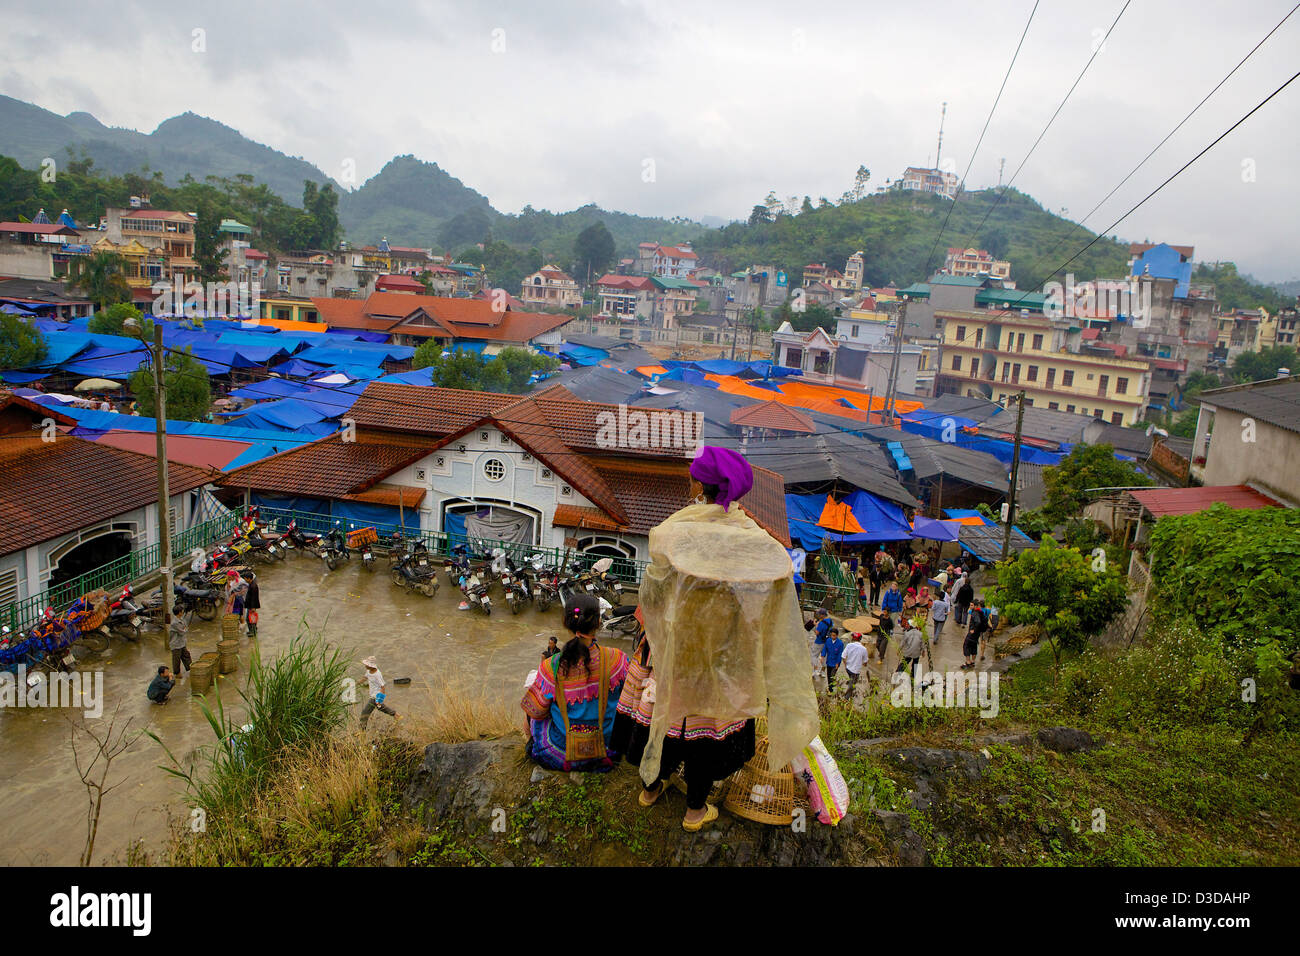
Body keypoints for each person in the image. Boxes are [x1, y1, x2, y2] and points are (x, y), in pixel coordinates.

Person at [636, 445, 815, 832]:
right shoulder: (751, 537)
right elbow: (773, 581)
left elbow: (654, 585)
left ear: (700, 484)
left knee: (670, 718)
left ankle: (652, 787)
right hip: (721, 655)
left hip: (678, 649)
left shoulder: (675, 530)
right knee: (706, 728)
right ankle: (694, 810)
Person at [522, 593, 630, 773]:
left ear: (566, 622)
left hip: (563, 753)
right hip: (608, 750)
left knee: (532, 709)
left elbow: (538, 712)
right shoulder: (617, 659)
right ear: (597, 623)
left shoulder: (551, 666)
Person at [359, 656, 400, 728]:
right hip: (372, 694)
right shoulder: (368, 671)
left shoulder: (377, 674)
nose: (365, 665)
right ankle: (395, 715)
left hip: (375, 696)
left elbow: (383, 687)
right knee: (380, 707)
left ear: (371, 666)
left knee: (364, 713)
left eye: (367, 664)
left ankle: (362, 731)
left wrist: (379, 699)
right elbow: (365, 678)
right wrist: (356, 684)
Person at [841, 632, 869, 697]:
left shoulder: (849, 645)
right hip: (856, 671)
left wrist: (845, 665)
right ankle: (846, 698)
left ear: (853, 638)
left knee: (851, 680)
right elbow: (865, 662)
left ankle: (851, 689)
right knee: (852, 684)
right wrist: (864, 664)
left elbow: (843, 656)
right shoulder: (864, 649)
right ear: (860, 639)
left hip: (848, 668)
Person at [963, 600, 989, 670]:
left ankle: (968, 662)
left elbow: (978, 622)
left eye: (971, 605)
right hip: (977, 633)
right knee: (974, 646)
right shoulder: (981, 612)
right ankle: (973, 662)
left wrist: (973, 629)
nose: (970, 607)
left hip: (973, 633)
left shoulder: (975, 613)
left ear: (976, 606)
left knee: (966, 645)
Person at [820, 628, 845, 693]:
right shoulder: (828, 640)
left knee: (832, 676)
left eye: (834, 635)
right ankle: (830, 686)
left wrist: (837, 663)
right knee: (828, 675)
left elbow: (840, 654)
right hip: (829, 661)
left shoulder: (840, 644)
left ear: (837, 635)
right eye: (831, 635)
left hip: (835, 663)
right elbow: (825, 648)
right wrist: (822, 656)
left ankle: (831, 690)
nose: (832, 637)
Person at [243, 571, 261, 637]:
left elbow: (254, 598)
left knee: (250, 619)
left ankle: (253, 631)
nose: (244, 580)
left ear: (248, 578)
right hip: (250, 605)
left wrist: (253, 607)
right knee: (250, 618)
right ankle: (252, 630)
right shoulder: (251, 584)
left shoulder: (253, 586)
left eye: (245, 578)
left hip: (251, 606)